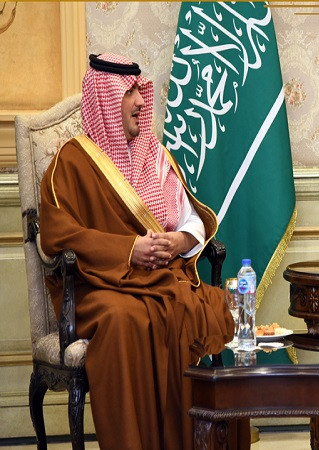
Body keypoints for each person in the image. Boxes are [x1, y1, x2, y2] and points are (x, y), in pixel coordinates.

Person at [40, 53, 234, 449]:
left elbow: (193, 221)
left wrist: (180, 241)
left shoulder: (155, 155)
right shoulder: (71, 163)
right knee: (123, 318)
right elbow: (59, 237)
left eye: (139, 91)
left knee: (195, 308)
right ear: (106, 100)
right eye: (129, 92)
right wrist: (129, 250)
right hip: (100, 286)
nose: (142, 101)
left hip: (160, 279)